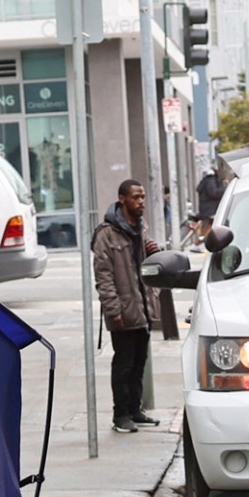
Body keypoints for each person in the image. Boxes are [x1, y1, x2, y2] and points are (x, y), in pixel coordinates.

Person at [95, 177, 155, 431]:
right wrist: (113, 310)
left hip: (142, 307)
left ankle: (135, 410)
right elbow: (103, 276)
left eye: (142, 197)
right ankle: (120, 415)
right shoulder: (106, 235)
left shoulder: (141, 229)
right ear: (122, 199)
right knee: (124, 364)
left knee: (139, 361)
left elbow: (145, 268)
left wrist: (154, 252)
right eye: (136, 197)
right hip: (122, 310)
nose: (141, 202)